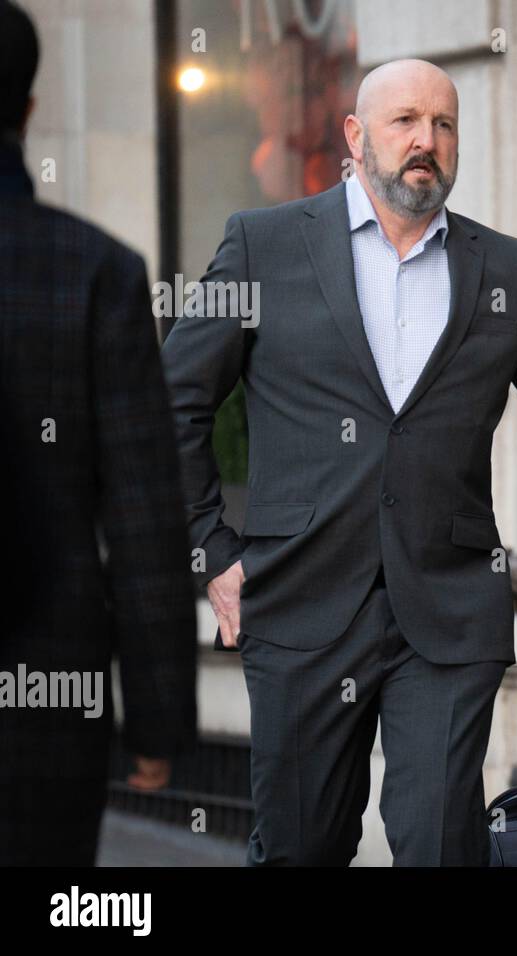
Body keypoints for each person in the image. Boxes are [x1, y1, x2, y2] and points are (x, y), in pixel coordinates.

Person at [161, 58, 517, 866]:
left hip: (448, 611)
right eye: (404, 122)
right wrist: (211, 551)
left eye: (442, 124)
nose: (424, 141)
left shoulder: (503, 268)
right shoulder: (262, 246)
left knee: (441, 844)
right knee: (300, 847)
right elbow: (172, 401)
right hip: (298, 607)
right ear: (358, 136)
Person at [0, 0, 197, 865]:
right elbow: (145, 518)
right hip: (49, 692)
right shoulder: (98, 273)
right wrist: (158, 718)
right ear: (30, 110)